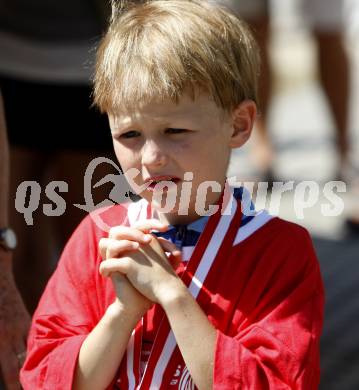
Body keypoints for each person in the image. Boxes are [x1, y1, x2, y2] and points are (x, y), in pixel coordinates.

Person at [20, 1, 324, 389]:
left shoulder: (280, 251)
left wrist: (171, 295)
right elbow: (45, 377)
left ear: (239, 124)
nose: (150, 158)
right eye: (129, 135)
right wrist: (122, 313)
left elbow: (273, 382)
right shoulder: (96, 239)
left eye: (175, 132)